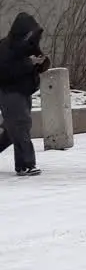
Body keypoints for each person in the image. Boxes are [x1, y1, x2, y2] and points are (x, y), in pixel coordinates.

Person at [0, 12, 51, 177]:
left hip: (24, 92)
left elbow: (32, 70)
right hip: (9, 92)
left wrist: (41, 65)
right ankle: (26, 164)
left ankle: (24, 164)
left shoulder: (29, 48)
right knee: (20, 126)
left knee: (13, 129)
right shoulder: (5, 48)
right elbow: (6, 72)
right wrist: (30, 66)